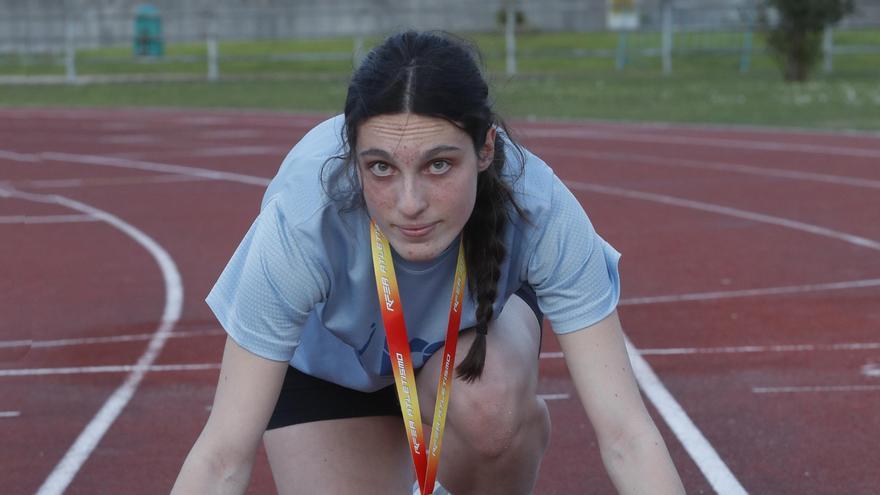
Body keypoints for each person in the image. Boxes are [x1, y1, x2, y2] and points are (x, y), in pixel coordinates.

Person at [171, 30, 685, 495]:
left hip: (470, 341)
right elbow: (221, 457)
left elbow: (626, 434)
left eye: (439, 165)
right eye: (381, 168)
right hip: (334, 372)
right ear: (353, 157)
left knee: (489, 405)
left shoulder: (538, 206)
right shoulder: (303, 221)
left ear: (485, 149)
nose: (410, 202)